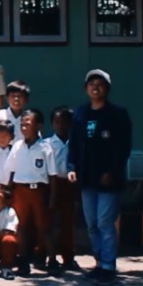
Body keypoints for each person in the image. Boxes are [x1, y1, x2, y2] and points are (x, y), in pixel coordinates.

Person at [68, 69, 132, 286]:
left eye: (100, 84)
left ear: (107, 88)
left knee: (105, 221)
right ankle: (98, 263)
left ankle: (108, 266)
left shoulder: (117, 114)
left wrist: (112, 171)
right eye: (91, 83)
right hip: (86, 178)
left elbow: (123, 147)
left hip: (108, 179)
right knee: (92, 223)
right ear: (86, 88)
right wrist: (71, 167)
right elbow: (74, 145)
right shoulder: (80, 114)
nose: (95, 87)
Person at [8, 108, 56, 277]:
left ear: (39, 125)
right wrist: (9, 191)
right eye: (22, 124)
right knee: (22, 227)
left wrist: (52, 196)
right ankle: (23, 260)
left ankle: (52, 260)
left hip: (38, 190)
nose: (24, 127)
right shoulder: (17, 147)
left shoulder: (45, 147)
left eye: (28, 123)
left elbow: (52, 175)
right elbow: (11, 171)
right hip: (20, 191)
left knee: (44, 226)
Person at [46, 105, 79, 272]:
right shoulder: (47, 145)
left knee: (68, 221)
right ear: (52, 124)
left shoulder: (75, 143)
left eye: (64, 122)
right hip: (52, 184)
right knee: (50, 222)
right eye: (57, 122)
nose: (61, 125)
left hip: (69, 185)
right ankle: (49, 256)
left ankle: (68, 256)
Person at [0, 81, 30, 147]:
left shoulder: (29, 119)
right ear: (7, 98)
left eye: (20, 96)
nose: (16, 99)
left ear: (26, 99)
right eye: (13, 96)